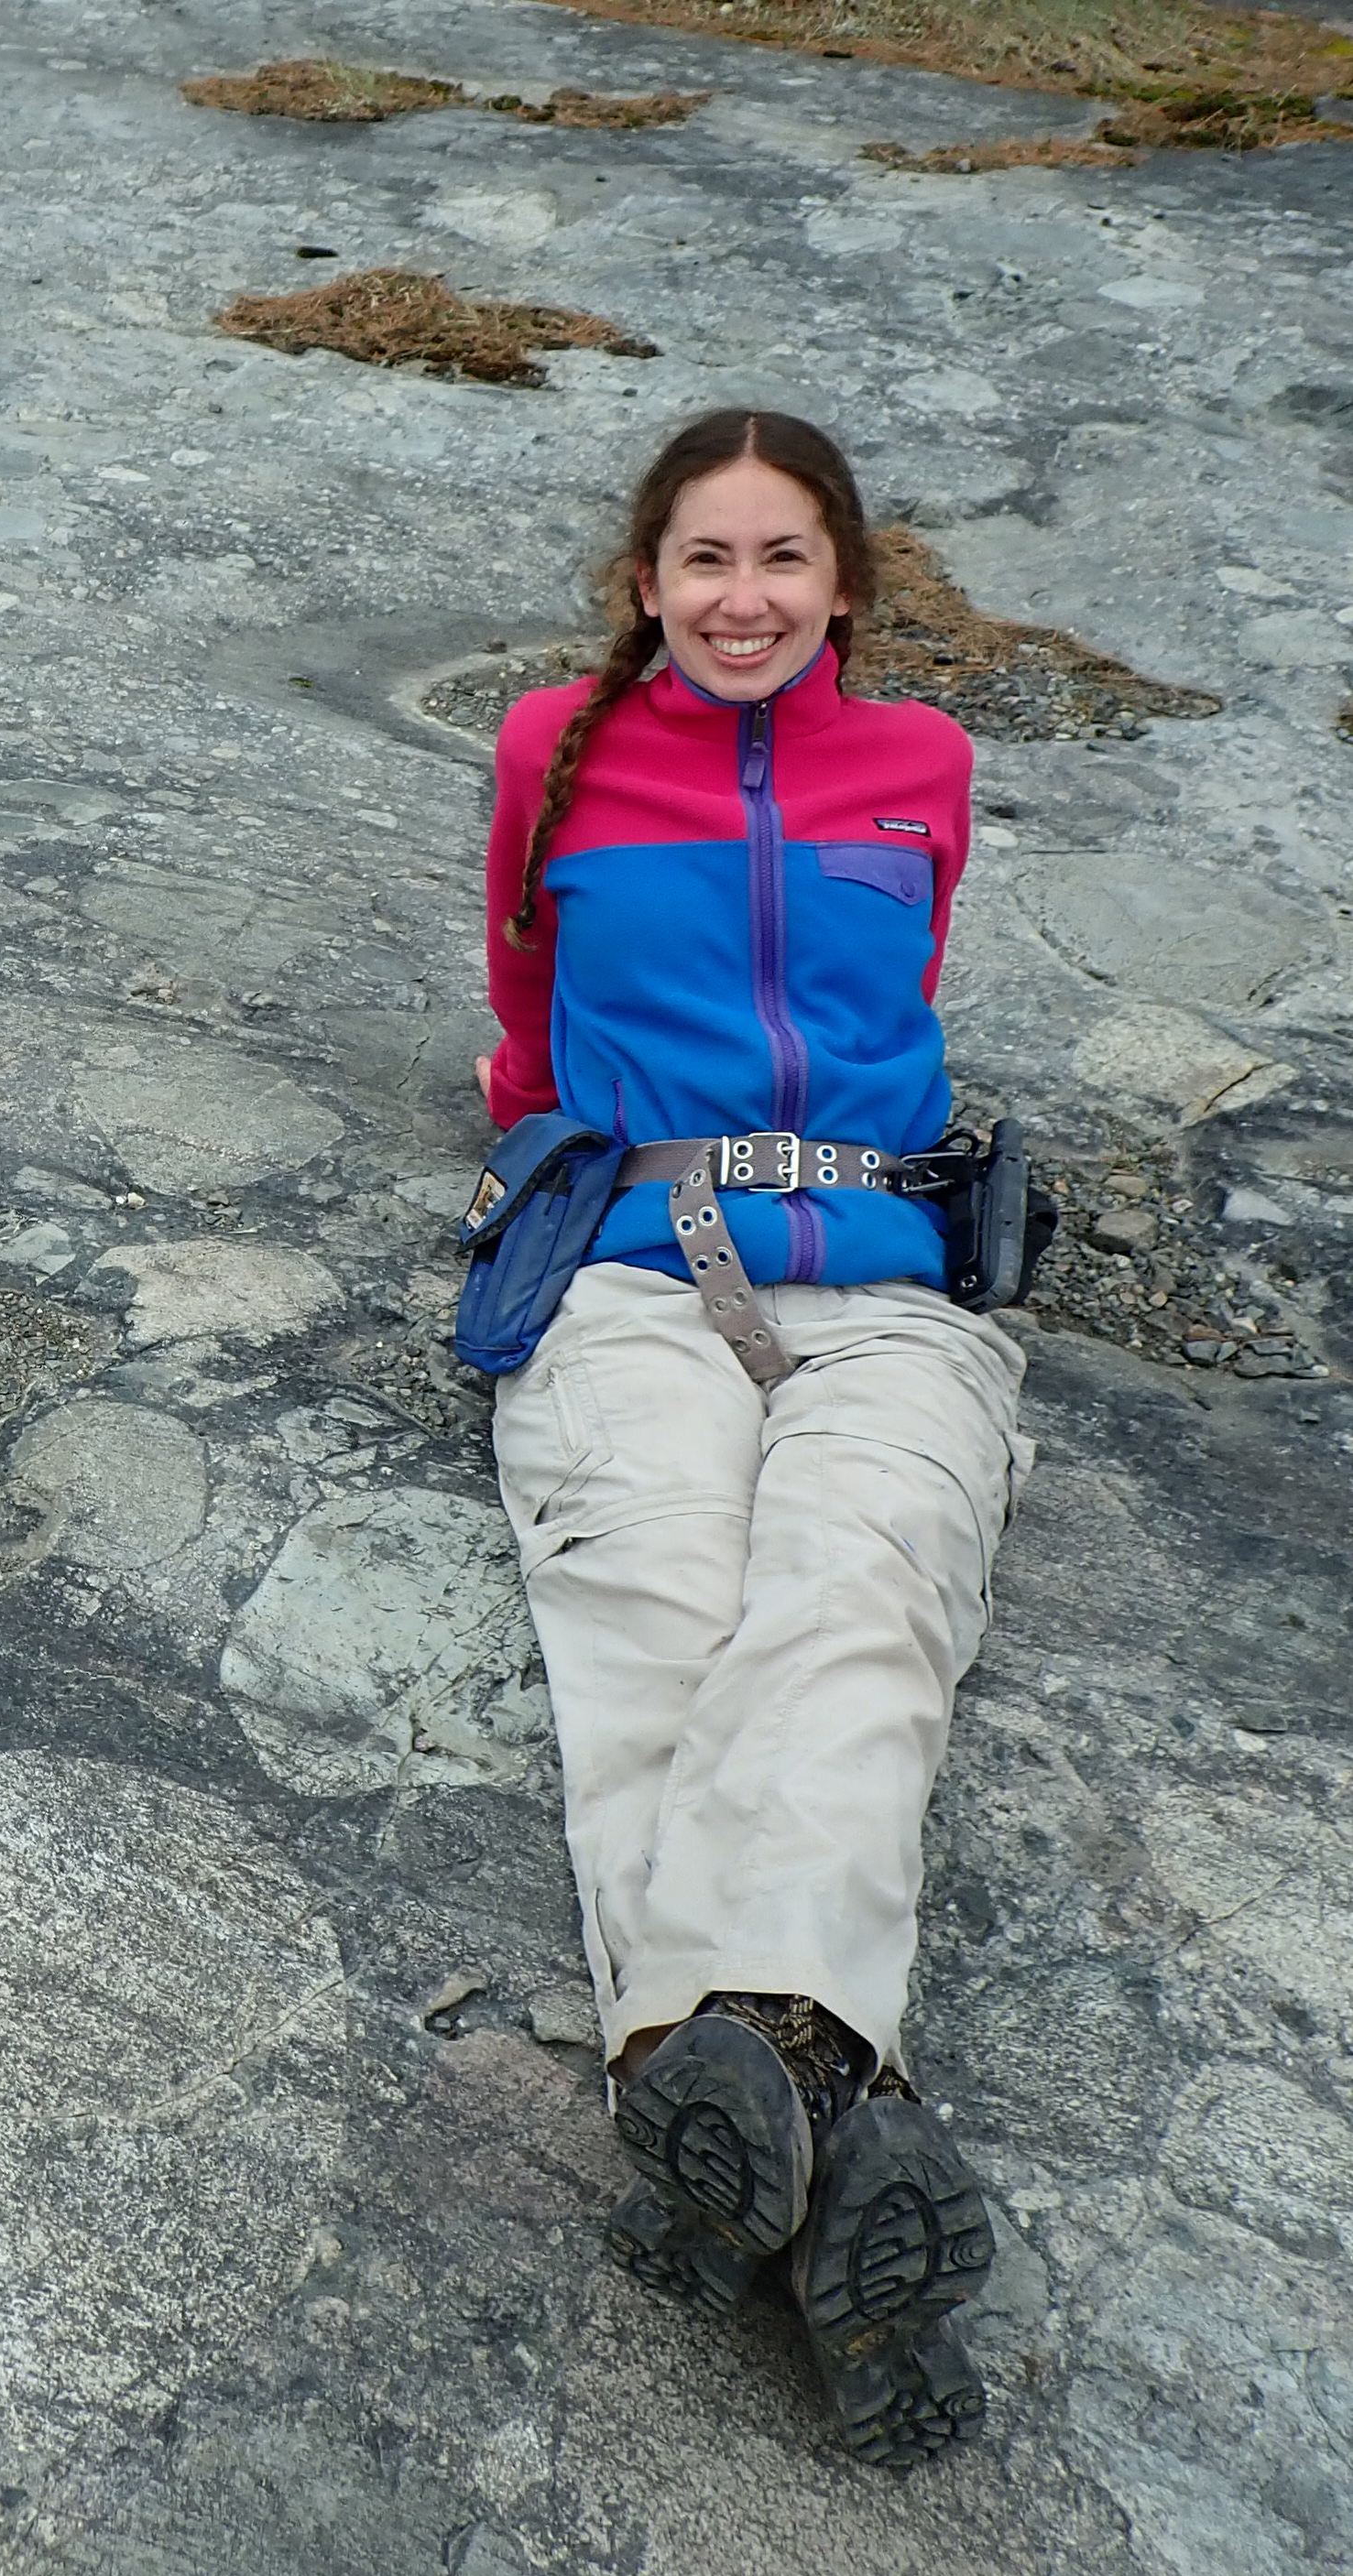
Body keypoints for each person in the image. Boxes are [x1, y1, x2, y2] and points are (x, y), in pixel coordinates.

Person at [476, 408, 1031, 2469]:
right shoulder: (555, 749)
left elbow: (906, 996)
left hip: (882, 1277)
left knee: (857, 1605)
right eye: (703, 559)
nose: (742, 597)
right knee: (652, 1617)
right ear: (644, 583)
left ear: (846, 588)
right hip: (630, 1262)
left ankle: (739, 2109)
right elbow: (527, 1006)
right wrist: (528, 1101)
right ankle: (839, 2131)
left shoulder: (926, 775)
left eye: (783, 559)